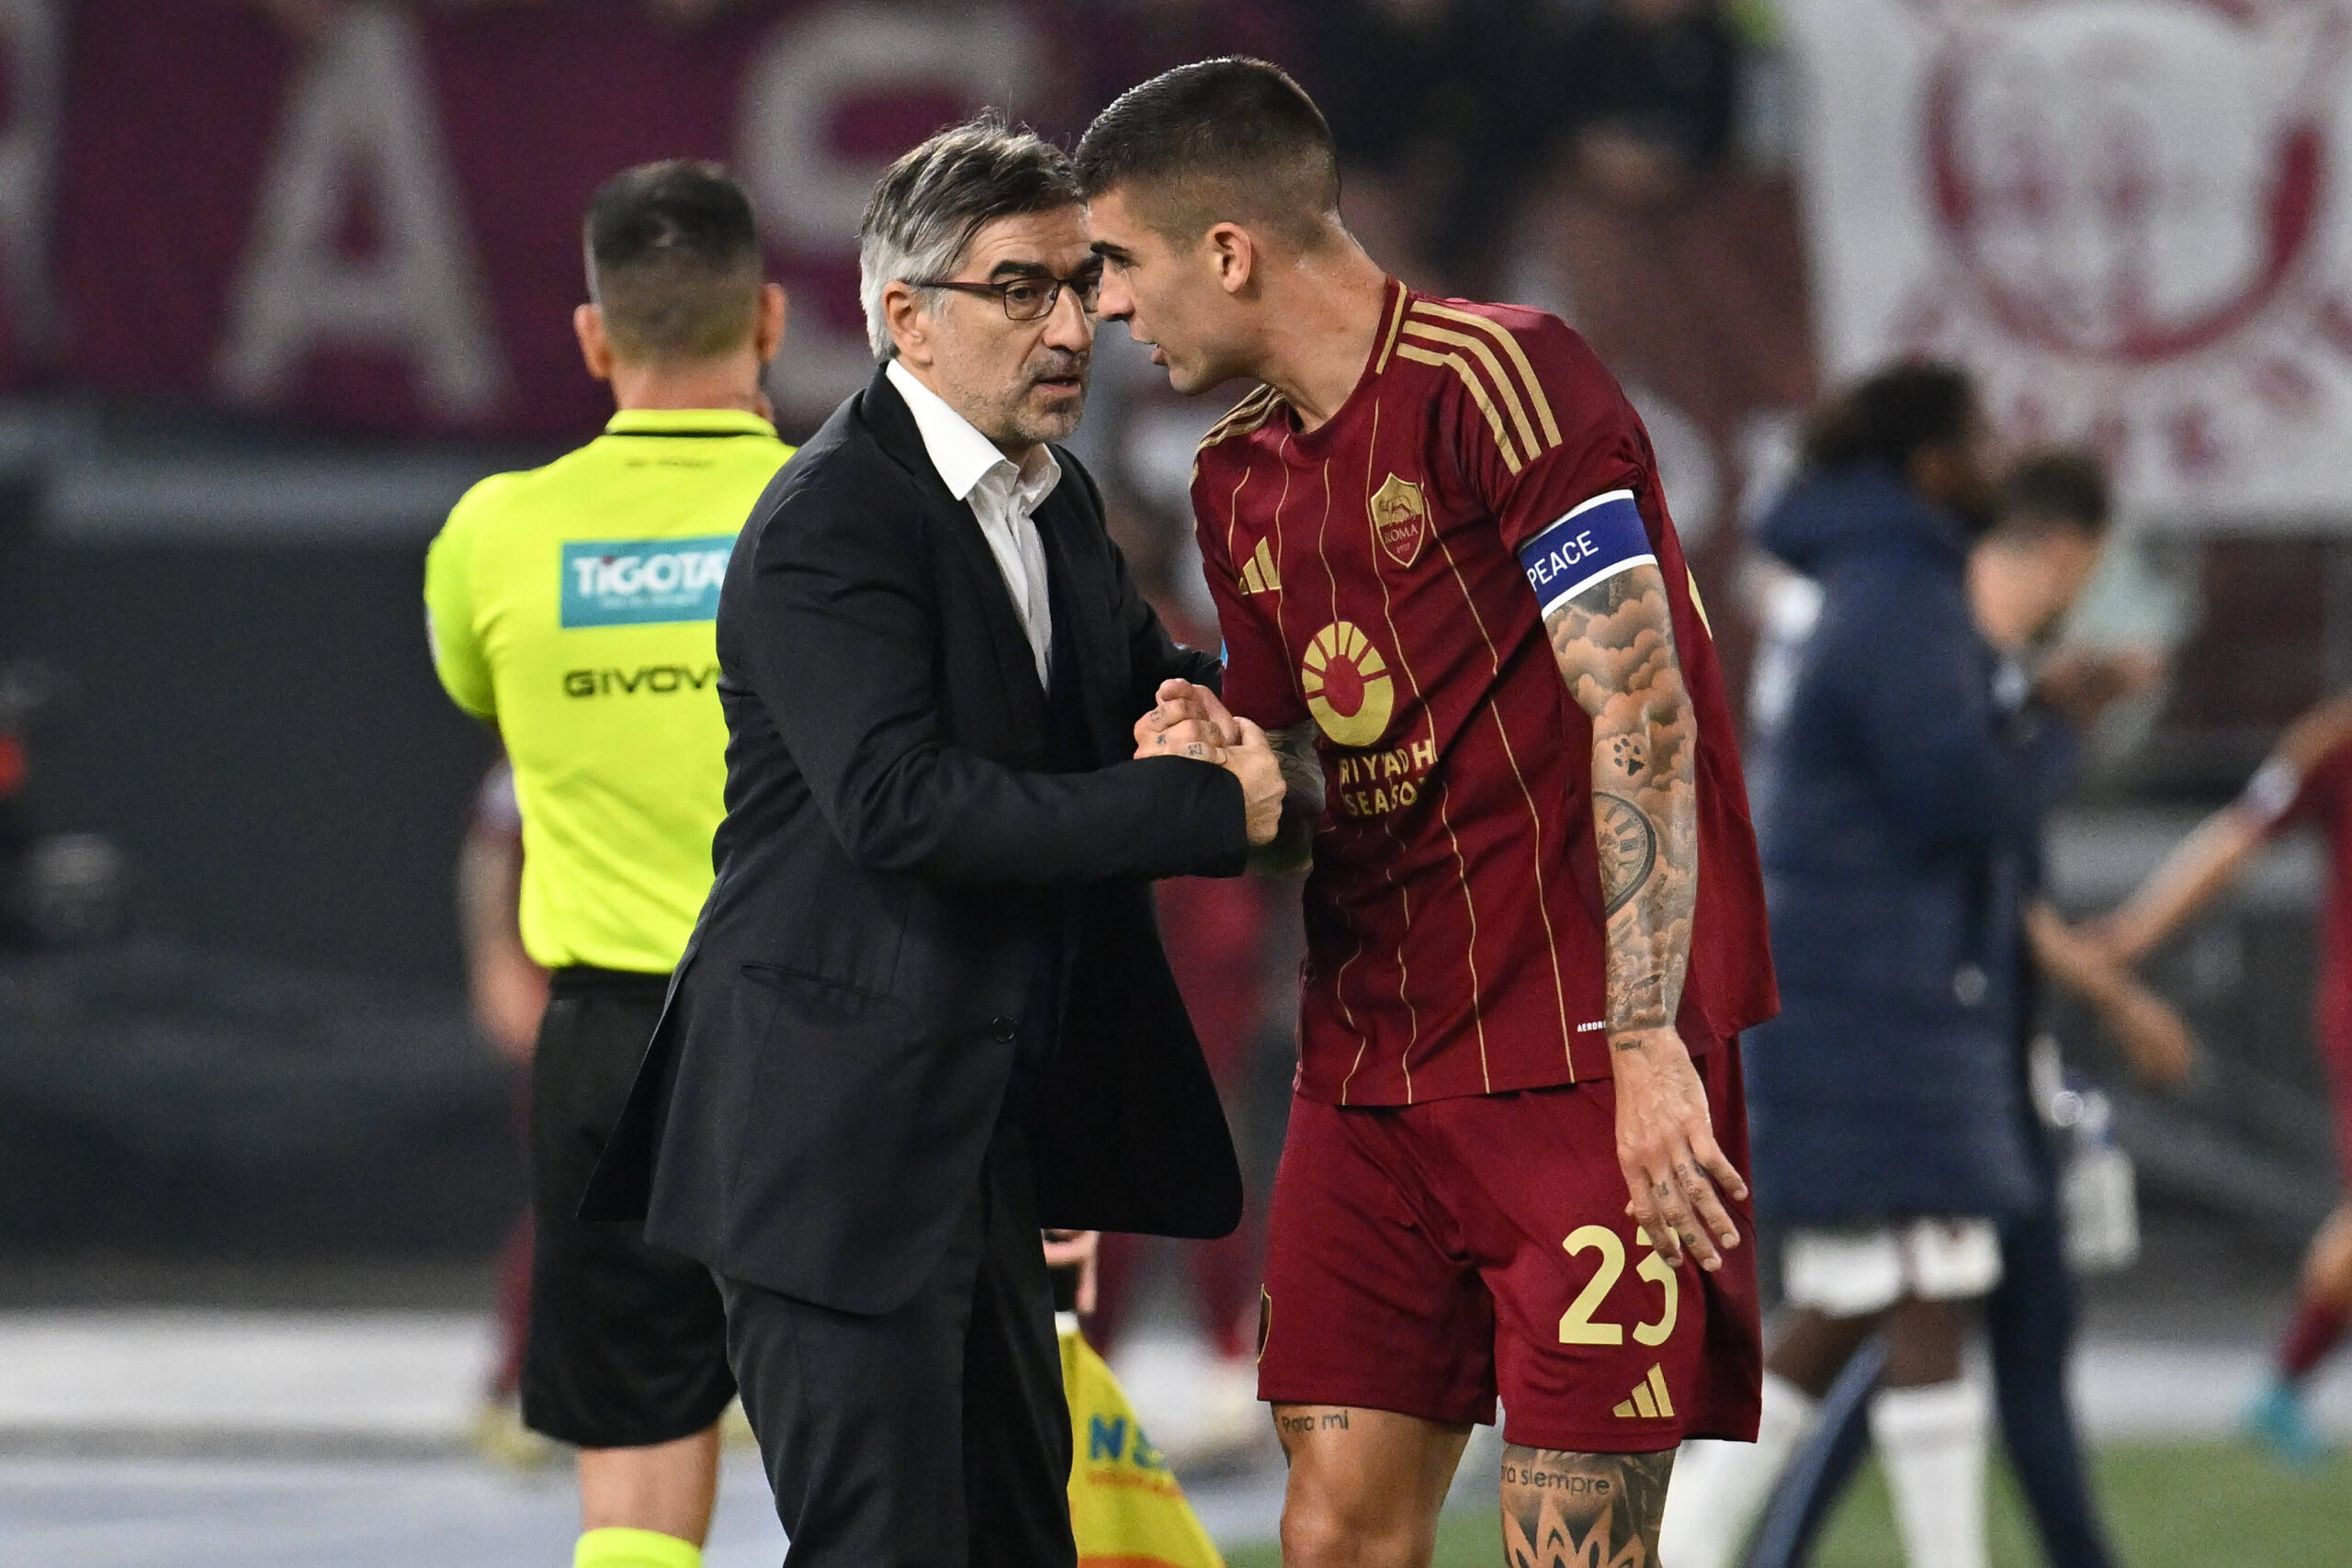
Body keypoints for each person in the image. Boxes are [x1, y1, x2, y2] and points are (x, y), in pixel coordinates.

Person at [1077, 57, 1781, 1567]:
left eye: (1118, 265)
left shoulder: (1507, 382)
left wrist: (1653, 1044)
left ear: (1227, 250)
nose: (1104, 311)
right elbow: (1303, 793)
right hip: (1369, 1079)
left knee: (1574, 1553)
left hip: (1583, 1073)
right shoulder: (1234, 478)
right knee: (1331, 1531)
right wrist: (1234, 777)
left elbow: (1641, 706)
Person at [581, 116, 1285, 1568]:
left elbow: (1138, 700)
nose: (1073, 321)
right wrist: (1210, 805)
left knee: (1019, 1544)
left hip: (966, 1143)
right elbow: (905, 808)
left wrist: (1283, 732)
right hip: (825, 1152)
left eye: (1083, 281)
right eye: (1020, 287)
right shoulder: (831, 520)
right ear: (905, 316)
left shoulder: (1054, 497)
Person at [423, 160, 792, 1568]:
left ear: (594, 335)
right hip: (816, 1023)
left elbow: (481, 700)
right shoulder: (848, 512)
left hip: (611, 1041)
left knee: (634, 1478)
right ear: (767, 319)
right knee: (874, 1437)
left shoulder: (494, 533)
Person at [1739, 450, 2194, 1568]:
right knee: (1892, 1314)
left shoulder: (1954, 659)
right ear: (2048, 547)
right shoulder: (1922, 655)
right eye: (2077, 569)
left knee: (1995, 1322)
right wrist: (2117, 995)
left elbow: (1987, 877)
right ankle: (1749, 1545)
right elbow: (1948, 850)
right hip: (1921, 1052)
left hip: (1971, 1042)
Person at [1655, 366, 2069, 1568]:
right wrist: (2052, 728)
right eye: (1978, 433)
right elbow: (1951, 793)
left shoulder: (1858, 574)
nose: (1997, 451)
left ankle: (1681, 1544)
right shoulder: (1898, 586)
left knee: (1883, 1285)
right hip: (1868, 985)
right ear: (1928, 460)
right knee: (1908, 1272)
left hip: (1847, 974)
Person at [2093, 690, 2352, 1464]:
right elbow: (2238, 837)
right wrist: (2138, 929)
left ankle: (2283, 1383)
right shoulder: (2334, 742)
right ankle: (2282, 1383)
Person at [456, 757, 557, 1470]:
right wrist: (496, 961)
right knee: (573, 1193)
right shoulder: (538, 738)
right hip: (578, 990)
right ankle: (513, 1386)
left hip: (683, 983)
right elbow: (490, 859)